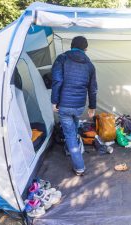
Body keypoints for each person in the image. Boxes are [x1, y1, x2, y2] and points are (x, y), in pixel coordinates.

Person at [51, 36, 97, 176]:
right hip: (79, 106)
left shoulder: (62, 58)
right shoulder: (89, 64)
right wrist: (92, 107)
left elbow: (57, 81)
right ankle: (73, 148)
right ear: (86, 48)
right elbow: (93, 88)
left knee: (70, 134)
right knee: (74, 129)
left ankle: (79, 167)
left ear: (71, 46)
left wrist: (54, 101)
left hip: (64, 105)